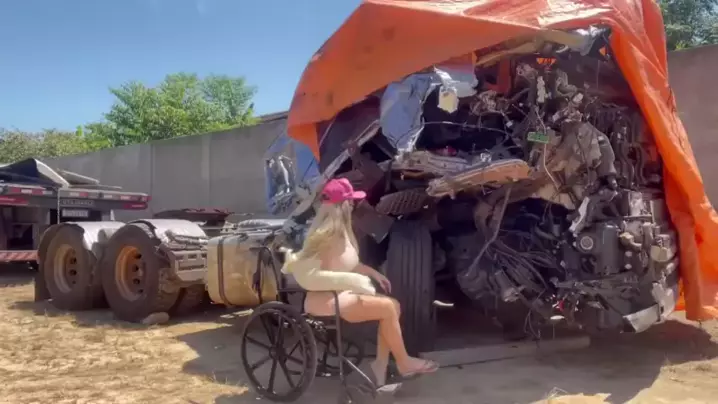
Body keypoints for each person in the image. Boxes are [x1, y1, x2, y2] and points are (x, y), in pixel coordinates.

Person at [282, 178, 439, 387]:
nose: (353, 205)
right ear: (341, 205)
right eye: (350, 201)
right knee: (388, 308)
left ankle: (381, 365)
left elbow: (350, 265)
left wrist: (373, 274)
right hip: (326, 301)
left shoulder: (342, 232)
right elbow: (308, 276)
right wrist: (354, 281)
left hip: (342, 295)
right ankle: (403, 362)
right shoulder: (323, 235)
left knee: (393, 306)